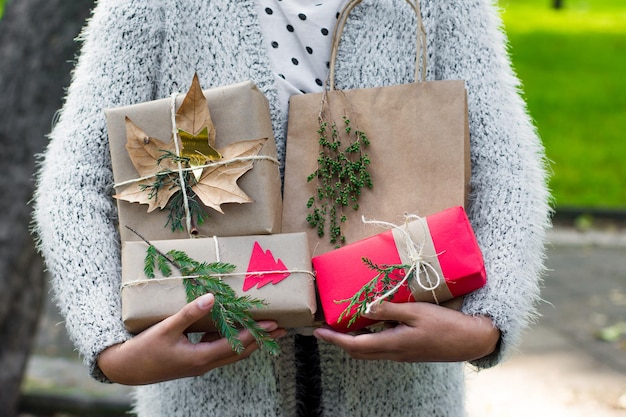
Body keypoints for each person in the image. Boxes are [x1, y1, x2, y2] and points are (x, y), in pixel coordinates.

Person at [32, 0, 551, 416]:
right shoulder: (153, 6)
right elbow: (78, 179)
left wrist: (488, 323)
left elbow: (505, 167)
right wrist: (109, 346)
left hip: (406, 392)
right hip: (206, 396)